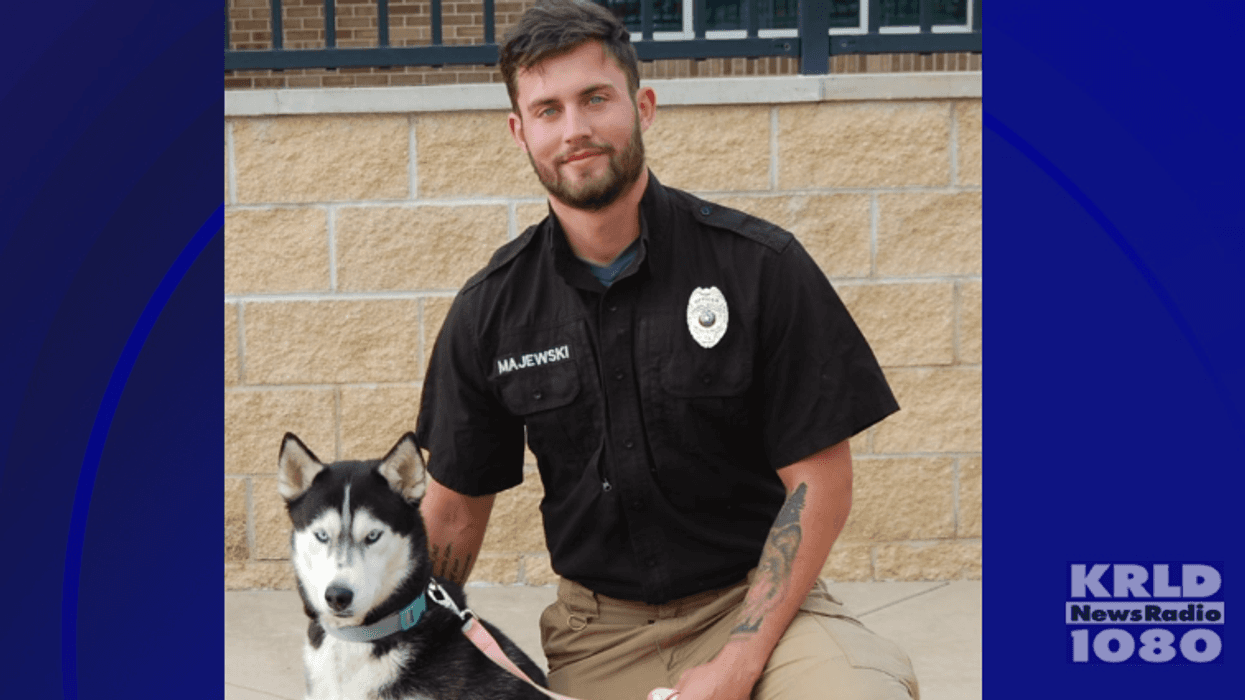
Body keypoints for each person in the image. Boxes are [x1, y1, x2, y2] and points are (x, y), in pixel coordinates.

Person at [416, 1, 918, 698]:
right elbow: (453, 513)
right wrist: (397, 647)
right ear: (519, 131)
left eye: (596, 99)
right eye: (548, 110)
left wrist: (739, 660)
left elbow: (820, 483)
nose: (576, 130)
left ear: (642, 106)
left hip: (756, 610)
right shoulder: (490, 310)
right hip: (598, 637)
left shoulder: (759, 268)